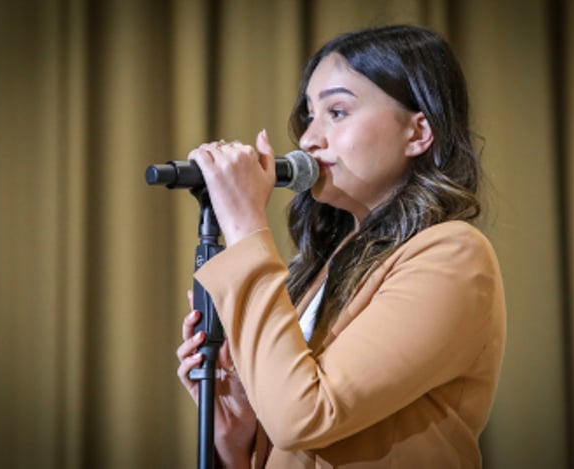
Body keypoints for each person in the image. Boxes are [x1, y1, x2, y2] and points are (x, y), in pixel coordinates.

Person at [176, 24, 506, 468]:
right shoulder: (322, 266)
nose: (310, 139)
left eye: (337, 111)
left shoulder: (454, 254)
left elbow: (305, 417)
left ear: (418, 132)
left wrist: (243, 224)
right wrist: (237, 437)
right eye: (309, 115)